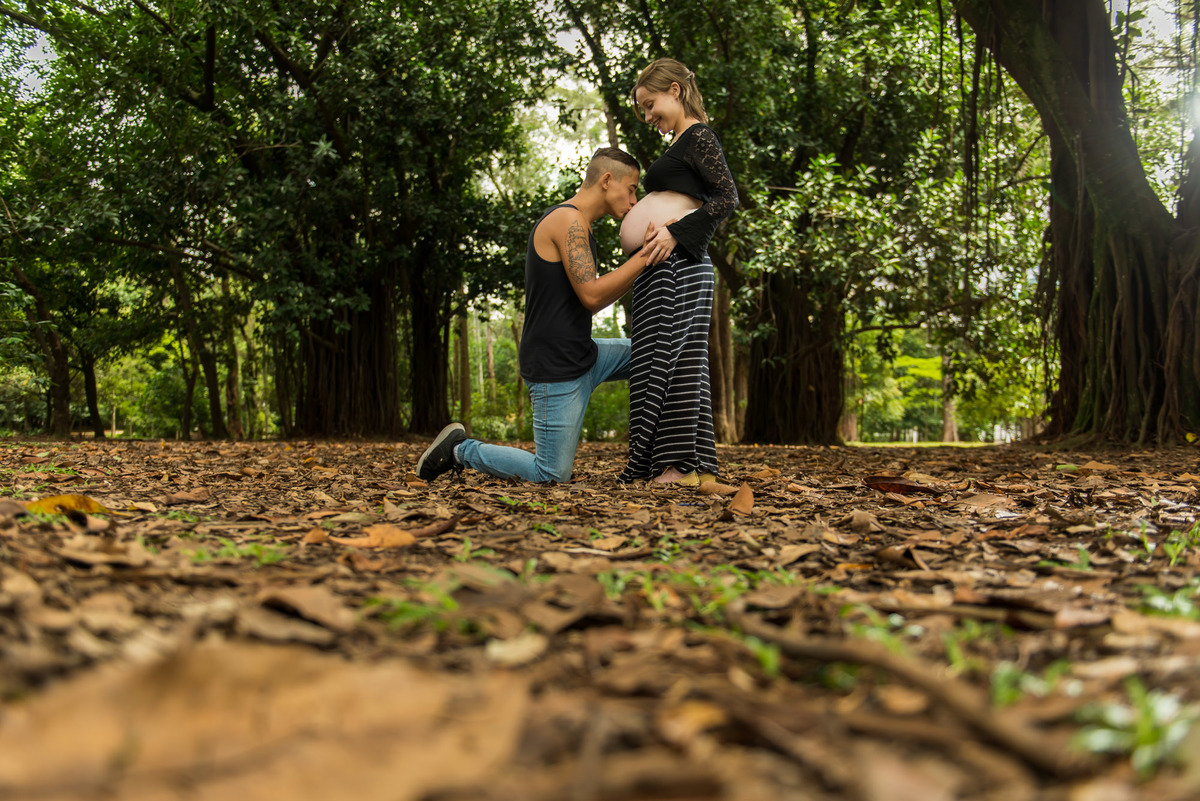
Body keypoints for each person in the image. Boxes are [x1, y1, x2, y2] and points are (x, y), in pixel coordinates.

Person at [416, 147, 656, 483]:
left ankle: (665, 458)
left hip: (585, 353)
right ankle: (460, 450)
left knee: (660, 352)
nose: (634, 200)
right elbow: (591, 296)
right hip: (554, 367)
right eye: (631, 189)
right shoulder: (566, 220)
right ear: (606, 180)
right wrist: (646, 256)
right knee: (551, 473)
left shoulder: (581, 225)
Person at [617, 58, 738, 484]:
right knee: (661, 360)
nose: (649, 116)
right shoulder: (682, 142)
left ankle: (675, 467)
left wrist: (675, 234)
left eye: (651, 105)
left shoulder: (699, 135)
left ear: (675, 90)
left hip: (678, 265)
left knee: (673, 362)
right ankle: (691, 466)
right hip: (663, 268)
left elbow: (726, 198)